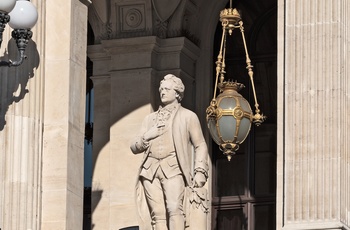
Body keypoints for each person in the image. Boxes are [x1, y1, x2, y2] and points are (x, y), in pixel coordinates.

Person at [130, 74, 209, 230]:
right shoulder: (149, 119)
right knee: (157, 214)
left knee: (174, 208)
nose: (162, 92)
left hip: (174, 168)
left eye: (167, 89)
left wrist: (200, 171)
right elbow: (134, 147)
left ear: (177, 93)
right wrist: (148, 135)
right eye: (161, 89)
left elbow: (200, 145)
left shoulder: (188, 116)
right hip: (150, 170)